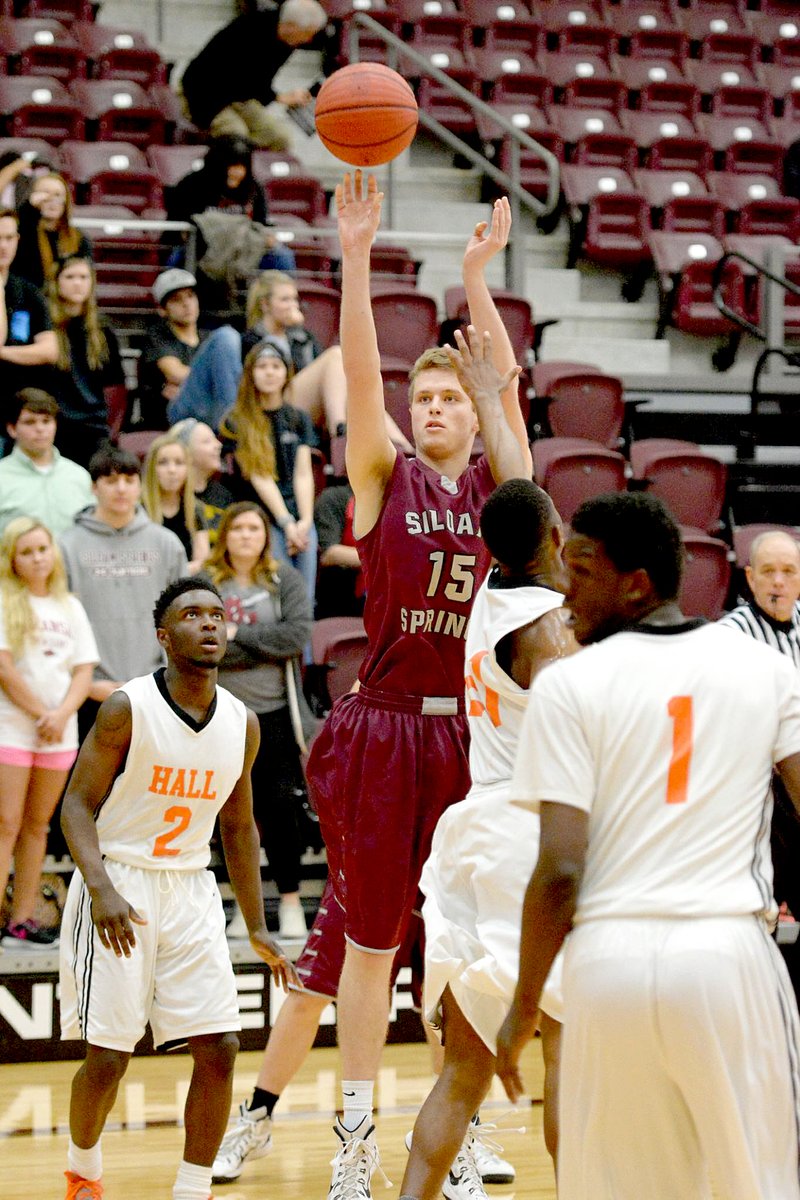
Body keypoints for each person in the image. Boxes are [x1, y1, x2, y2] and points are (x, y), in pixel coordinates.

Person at [308, 171, 530, 1200]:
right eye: (422, 398)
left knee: (466, 944)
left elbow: (506, 391)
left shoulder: (496, 496)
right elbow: (360, 378)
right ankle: (353, 1137)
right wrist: (354, 260)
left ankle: (462, 1123)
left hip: (469, 741)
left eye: (450, 399)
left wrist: (476, 280)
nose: (435, 406)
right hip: (385, 729)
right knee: (371, 942)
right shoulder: (380, 478)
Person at [497, 491, 800, 1200]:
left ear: (637, 582)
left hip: (608, 970)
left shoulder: (567, 685)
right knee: (755, 1184)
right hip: (728, 960)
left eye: (581, 570)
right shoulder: (767, 670)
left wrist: (523, 1006)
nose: (564, 591)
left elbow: (560, 869)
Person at [58, 576, 299, 1200]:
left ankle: (193, 1189)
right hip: (119, 884)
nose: (210, 624)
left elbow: (239, 824)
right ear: (164, 636)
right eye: (193, 615)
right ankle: (82, 1170)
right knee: (109, 1057)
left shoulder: (243, 723)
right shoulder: (126, 708)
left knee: (220, 1046)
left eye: (217, 615)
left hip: (192, 888)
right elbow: (76, 807)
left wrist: (257, 924)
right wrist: (102, 888)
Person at [401, 479, 577, 1200]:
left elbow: (519, 508)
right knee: (569, 1044)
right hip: (532, 834)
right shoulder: (549, 629)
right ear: (552, 539)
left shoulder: (486, 600)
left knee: (463, 1070)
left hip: (475, 829)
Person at [202, 501, 313, 940]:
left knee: (281, 809)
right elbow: (200, 644)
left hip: (274, 716)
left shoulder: (282, 579)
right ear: (225, 534)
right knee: (225, 813)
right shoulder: (207, 582)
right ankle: (237, 906)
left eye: (254, 528)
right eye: (238, 527)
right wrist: (252, 645)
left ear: (265, 537)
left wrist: (236, 636)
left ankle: (289, 902)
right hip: (216, 719)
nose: (246, 535)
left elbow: (296, 635)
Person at [0, 516, 96, 947]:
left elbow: (83, 670)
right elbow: (3, 667)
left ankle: (22, 920)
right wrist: (42, 713)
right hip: (14, 728)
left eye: (43, 548)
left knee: (37, 827)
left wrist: (60, 715)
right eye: (27, 551)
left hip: (59, 733)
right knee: (5, 824)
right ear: (12, 560)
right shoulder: (5, 601)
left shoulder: (69, 605)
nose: (37, 558)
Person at [718, 528, 800, 983]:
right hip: (758, 796)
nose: (778, 583)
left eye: (789, 572)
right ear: (749, 578)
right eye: (768, 571)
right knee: (756, 913)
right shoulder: (731, 635)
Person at [59, 446, 187, 713]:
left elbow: (182, 618)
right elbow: (58, 622)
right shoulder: (65, 546)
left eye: (129, 481)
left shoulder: (166, 543)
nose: (121, 489)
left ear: (140, 486)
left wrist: (165, 678)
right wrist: (85, 682)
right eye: (111, 480)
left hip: (155, 688)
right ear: (94, 487)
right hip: (88, 690)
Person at [242, 270, 412, 449]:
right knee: (335, 355)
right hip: (272, 406)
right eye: (285, 300)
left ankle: (405, 450)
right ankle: (339, 431)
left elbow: (323, 379)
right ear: (265, 304)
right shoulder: (251, 340)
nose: (293, 306)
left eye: (294, 299)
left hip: (308, 410)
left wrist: (297, 333)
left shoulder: (302, 337)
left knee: (360, 396)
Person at [220, 340, 318, 607]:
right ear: (250, 373)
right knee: (279, 596)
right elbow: (259, 475)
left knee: (305, 599)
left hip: (298, 516)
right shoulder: (237, 420)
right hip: (262, 516)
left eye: (276, 366)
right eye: (262, 366)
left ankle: (305, 651)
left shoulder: (298, 418)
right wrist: (287, 524)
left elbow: (303, 474)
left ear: (287, 373)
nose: (269, 372)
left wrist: (305, 521)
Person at [178, 0, 327, 150]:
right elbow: (239, 79)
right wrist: (279, 97)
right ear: (291, 26)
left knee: (281, 138)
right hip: (204, 94)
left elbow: (260, 80)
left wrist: (282, 97)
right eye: (307, 33)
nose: (308, 40)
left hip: (240, 97)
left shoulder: (286, 40)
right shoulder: (249, 28)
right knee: (236, 135)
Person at [166, 134, 296, 306]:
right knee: (175, 261)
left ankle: (283, 308)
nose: (237, 172)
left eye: (242, 167)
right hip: (200, 254)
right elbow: (175, 232)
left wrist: (266, 238)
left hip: (242, 254)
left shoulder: (253, 189)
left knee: (282, 256)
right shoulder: (191, 185)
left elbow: (261, 225)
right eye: (232, 166)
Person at [45, 254, 125, 468]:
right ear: (57, 282)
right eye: (70, 277)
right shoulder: (44, 326)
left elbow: (115, 386)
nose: (77, 283)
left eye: (83, 277)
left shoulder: (103, 329)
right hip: (53, 426)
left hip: (94, 428)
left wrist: (111, 431)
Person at [138, 268, 242, 432]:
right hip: (174, 417)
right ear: (162, 309)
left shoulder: (208, 339)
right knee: (227, 336)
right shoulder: (157, 337)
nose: (186, 304)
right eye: (176, 299)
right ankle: (234, 425)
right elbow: (175, 373)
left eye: (190, 296)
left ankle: (232, 423)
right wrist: (215, 378)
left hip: (209, 413)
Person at [0, 389, 93, 535]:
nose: (40, 429)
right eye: (29, 422)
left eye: (46, 421)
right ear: (12, 429)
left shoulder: (79, 476)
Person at [0, 208, 59, 439]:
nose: (3, 246)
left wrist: (2, 352)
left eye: (9, 238)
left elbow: (49, 350)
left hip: (18, 411)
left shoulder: (27, 290)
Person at [142, 432, 210, 572]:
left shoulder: (195, 508)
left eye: (179, 463)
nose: (172, 470)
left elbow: (202, 562)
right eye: (163, 463)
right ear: (151, 468)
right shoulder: (138, 510)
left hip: (186, 586)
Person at [11, 172, 91, 291]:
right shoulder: (22, 233)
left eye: (58, 195)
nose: (52, 200)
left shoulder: (78, 238)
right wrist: (29, 208)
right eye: (45, 193)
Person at [172, 418, 235, 546]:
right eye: (207, 441)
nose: (218, 445)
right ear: (185, 450)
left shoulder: (223, 495)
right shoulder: (171, 496)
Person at [314, 482, 364, 619]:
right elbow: (328, 554)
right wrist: (387, 559)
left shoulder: (400, 500)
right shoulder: (334, 498)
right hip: (343, 592)